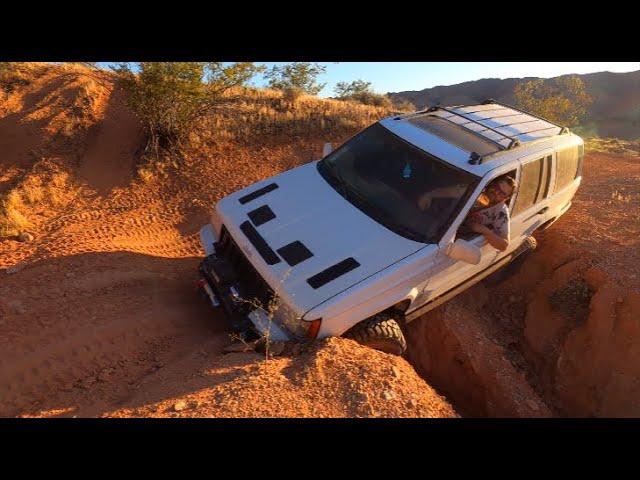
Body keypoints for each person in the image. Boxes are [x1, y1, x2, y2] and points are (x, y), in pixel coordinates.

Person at [461, 174, 517, 252]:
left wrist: (484, 230)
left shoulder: (500, 211)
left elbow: (504, 245)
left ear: (505, 199)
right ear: (491, 184)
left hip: (461, 240)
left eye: (502, 193)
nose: (496, 193)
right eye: (497, 187)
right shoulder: (474, 189)